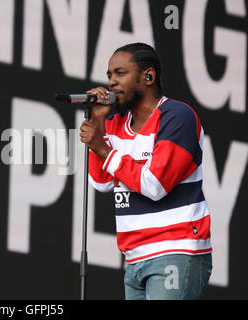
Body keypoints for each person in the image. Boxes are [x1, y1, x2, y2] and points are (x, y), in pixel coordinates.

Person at [79, 43, 212, 300]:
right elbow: (102, 182)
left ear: (148, 77)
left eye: (120, 73)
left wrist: (101, 146)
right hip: (135, 257)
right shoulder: (116, 123)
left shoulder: (177, 116)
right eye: (109, 76)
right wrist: (98, 123)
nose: (111, 83)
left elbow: (155, 185)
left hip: (175, 250)